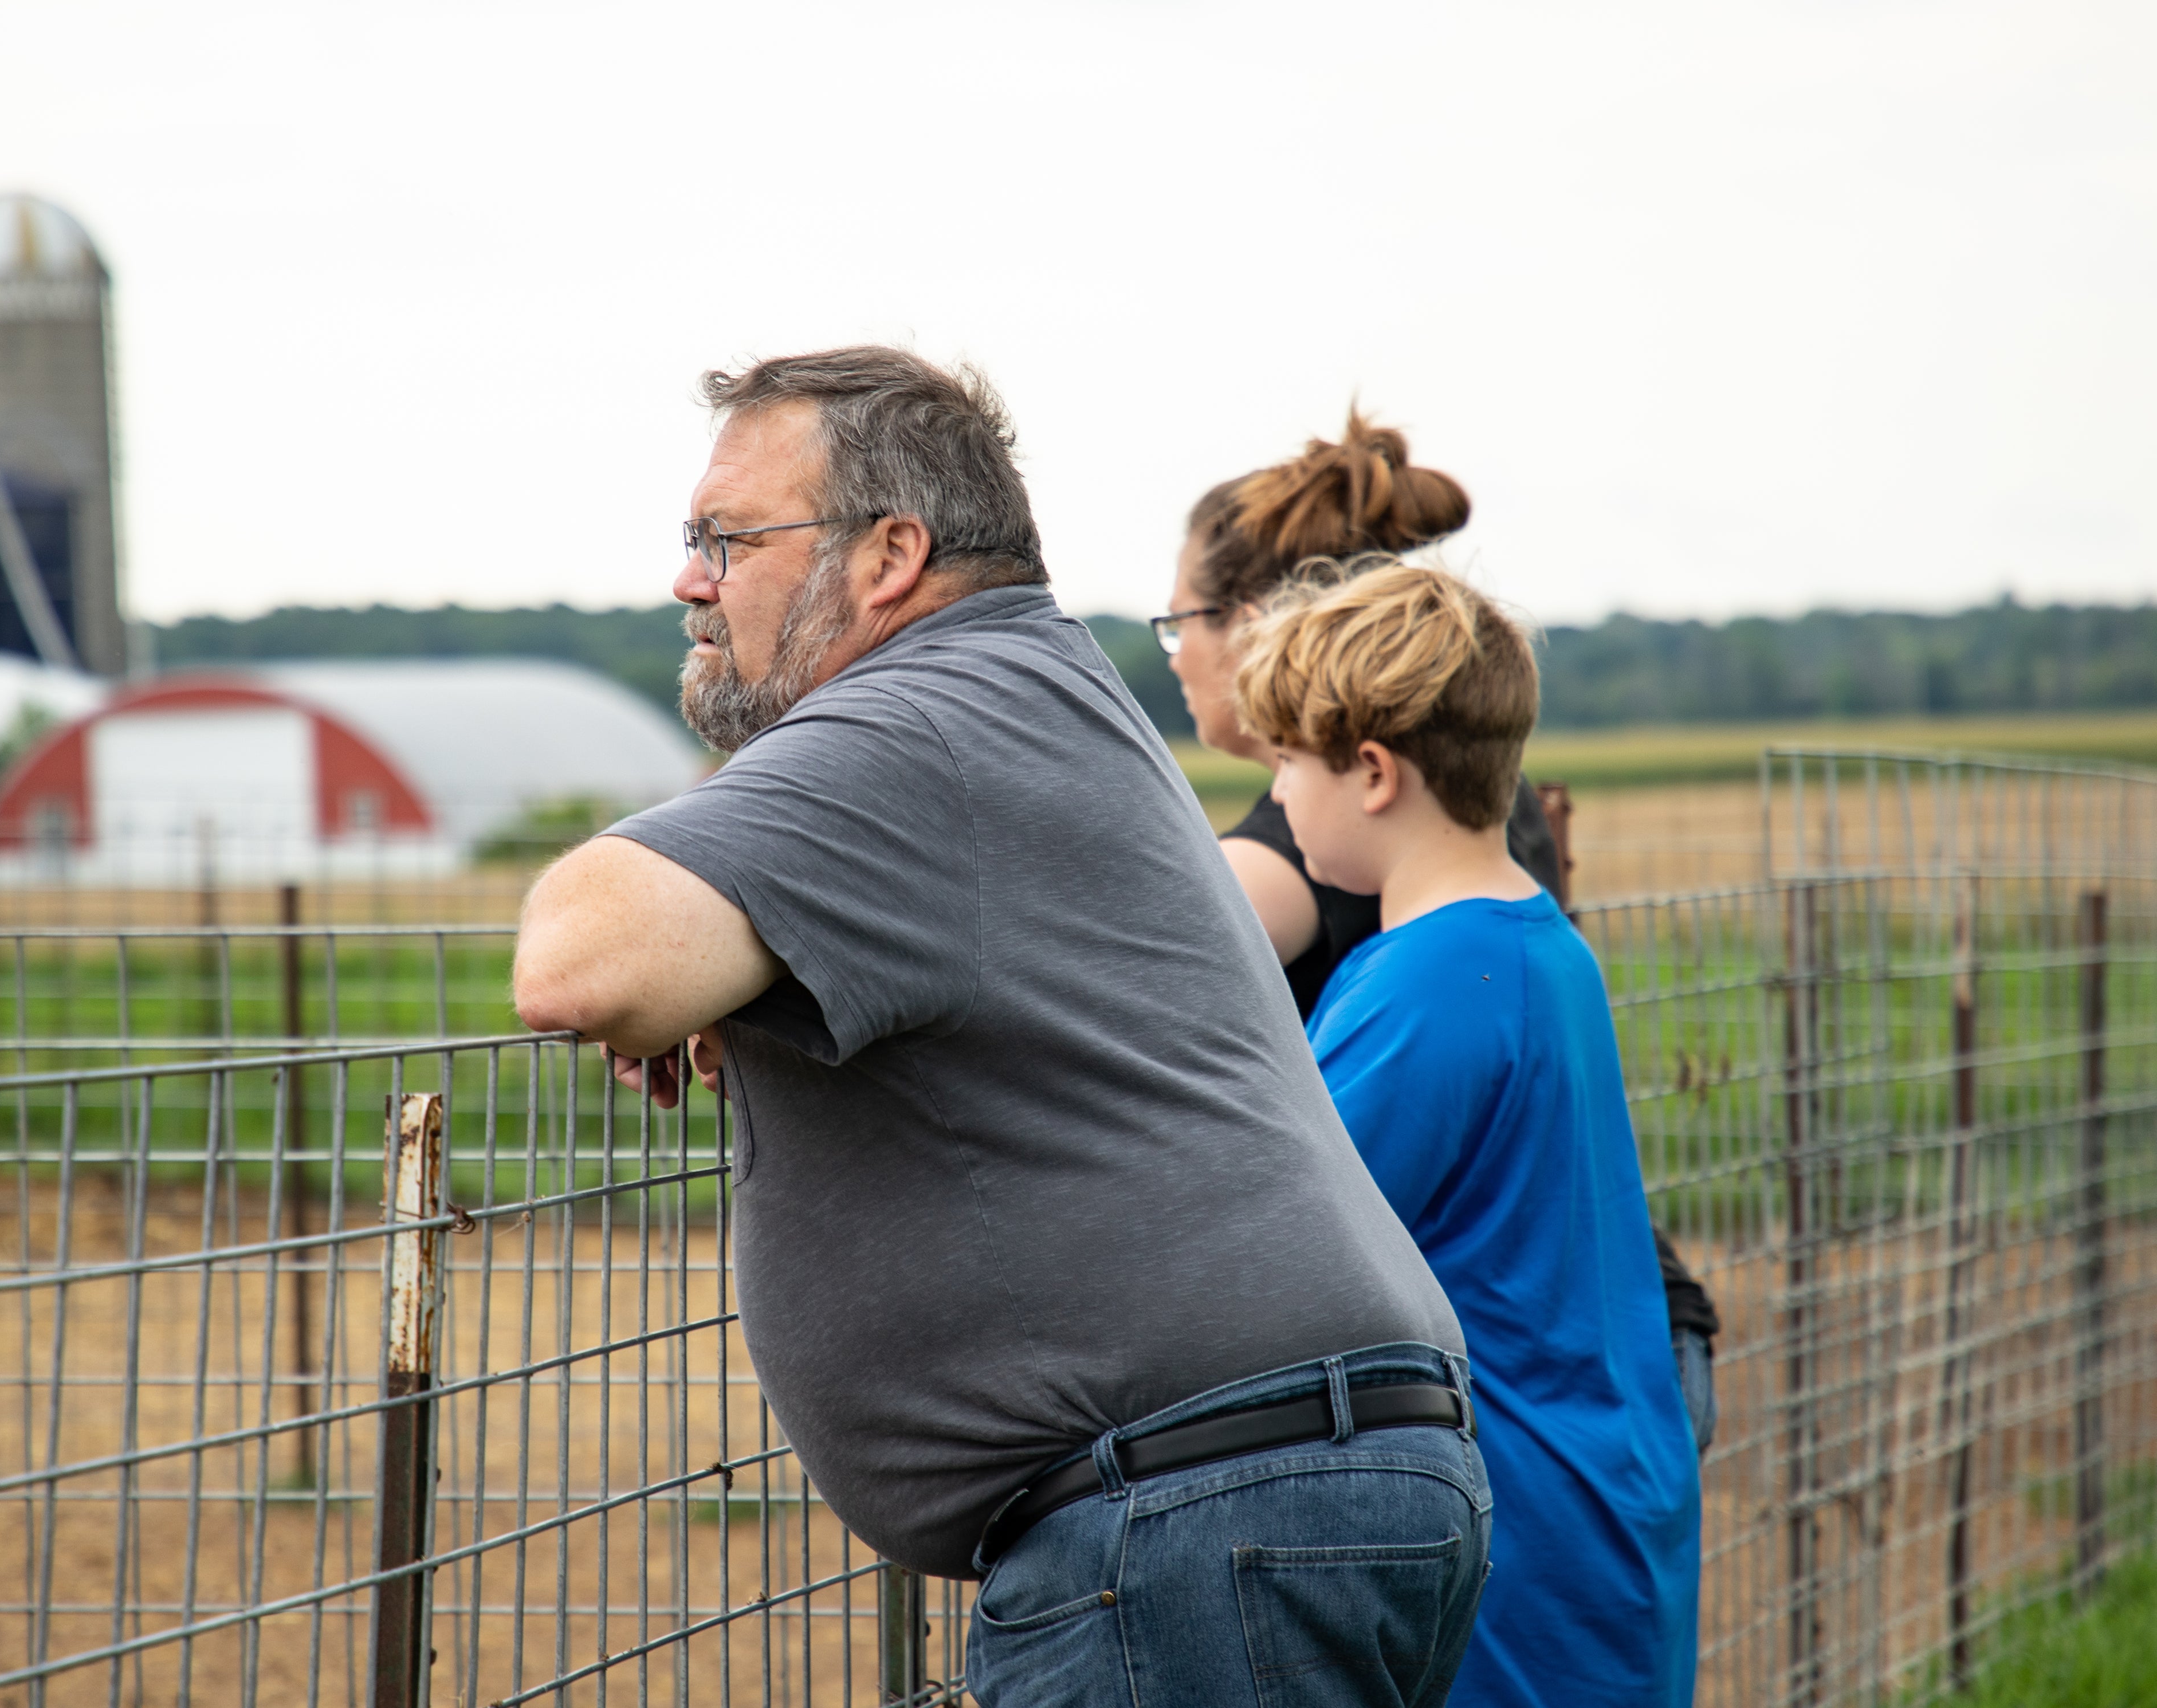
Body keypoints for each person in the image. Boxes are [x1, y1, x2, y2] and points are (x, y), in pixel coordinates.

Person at [513, 346, 1489, 1707]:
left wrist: (685, 934)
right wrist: (742, 951)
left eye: (726, 540)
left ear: (889, 554)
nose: (690, 580)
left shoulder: (915, 721)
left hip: (1191, 1512)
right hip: (1284, 1479)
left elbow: (578, 962)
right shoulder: (1031, 691)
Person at [1158, 411, 1719, 1458]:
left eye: (1178, 617)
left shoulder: (1402, 960)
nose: (1175, 649)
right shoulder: (1518, 909)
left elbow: (1292, 1235)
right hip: (1610, 1386)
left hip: (1504, 1446)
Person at [1230, 562, 1703, 1708]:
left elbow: (1275, 1245)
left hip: (1517, 1533)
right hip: (1603, 1489)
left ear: (1376, 774)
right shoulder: (1536, 945)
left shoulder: (1430, 984)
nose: (1278, 796)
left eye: (1288, 761)